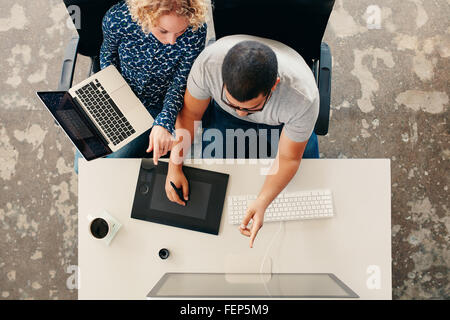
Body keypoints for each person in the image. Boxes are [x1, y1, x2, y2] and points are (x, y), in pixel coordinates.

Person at [163, 35, 320, 248]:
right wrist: (174, 165)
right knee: (211, 174)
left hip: (282, 124)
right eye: (234, 103)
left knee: (304, 188)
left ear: (274, 85)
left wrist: (262, 201)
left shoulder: (302, 98)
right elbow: (190, 114)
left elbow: (288, 157)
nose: (242, 113)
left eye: (249, 108)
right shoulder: (208, 64)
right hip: (224, 117)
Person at [74, 0, 207, 173]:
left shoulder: (196, 30)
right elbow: (107, 56)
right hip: (116, 92)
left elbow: (180, 82)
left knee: (107, 167)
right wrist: (112, 91)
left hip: (156, 106)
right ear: (146, 15)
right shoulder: (117, 19)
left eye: (180, 32)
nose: (172, 41)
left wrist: (164, 122)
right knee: (83, 167)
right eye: (163, 31)